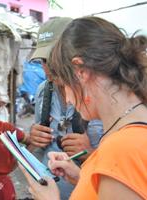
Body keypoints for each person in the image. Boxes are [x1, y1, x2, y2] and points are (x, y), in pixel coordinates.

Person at [21, 16, 147, 199]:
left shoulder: (120, 149)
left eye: (64, 83)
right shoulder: (130, 130)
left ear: (80, 71)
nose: (69, 100)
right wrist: (83, 177)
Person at [28, 17, 103, 199]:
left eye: (53, 59)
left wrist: (90, 154)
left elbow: (124, 164)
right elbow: (38, 149)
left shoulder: (101, 95)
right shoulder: (42, 92)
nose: (47, 69)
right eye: (43, 61)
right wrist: (34, 138)